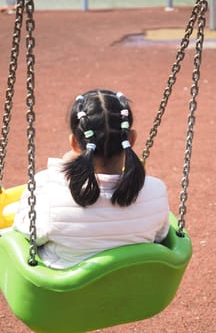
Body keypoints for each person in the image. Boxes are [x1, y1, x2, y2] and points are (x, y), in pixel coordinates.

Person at [13, 89, 170, 269]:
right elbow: (161, 235)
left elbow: (24, 228)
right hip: (134, 290)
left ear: (74, 143)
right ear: (131, 139)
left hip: (68, 294)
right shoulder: (156, 191)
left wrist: (59, 169)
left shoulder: (49, 189)